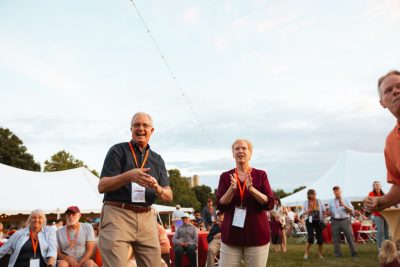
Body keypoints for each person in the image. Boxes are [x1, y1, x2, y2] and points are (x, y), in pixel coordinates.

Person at [98, 112, 173, 267]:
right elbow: (102, 186)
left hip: (146, 217)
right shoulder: (117, 151)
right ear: (131, 129)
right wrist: (128, 176)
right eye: (137, 125)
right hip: (118, 214)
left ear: (152, 130)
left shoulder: (157, 160)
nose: (141, 128)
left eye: (145, 125)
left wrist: (157, 187)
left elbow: (168, 195)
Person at [216, 139, 274, 267]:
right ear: (233, 153)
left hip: (257, 236)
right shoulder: (226, 176)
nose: (240, 151)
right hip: (231, 237)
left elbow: (270, 203)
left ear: (250, 153)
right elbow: (220, 206)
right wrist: (231, 190)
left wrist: (252, 190)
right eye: (237, 149)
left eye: (244, 148)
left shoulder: (260, 175)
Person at [364, 70, 400, 211]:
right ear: (382, 103)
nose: (396, 91)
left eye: (399, 86)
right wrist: (380, 201)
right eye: (388, 91)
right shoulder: (391, 142)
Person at [328, 186, 357, 258]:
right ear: (333, 192)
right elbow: (329, 211)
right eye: (335, 191)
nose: (336, 193)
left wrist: (344, 205)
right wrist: (329, 212)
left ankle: (354, 254)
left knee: (350, 237)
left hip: (345, 220)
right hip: (334, 220)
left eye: (338, 191)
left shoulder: (346, 199)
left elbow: (351, 211)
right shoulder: (331, 201)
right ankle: (337, 254)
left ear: (341, 192)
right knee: (335, 238)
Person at [302, 189, 325, 260]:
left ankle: (320, 254)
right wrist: (307, 211)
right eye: (314, 194)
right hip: (309, 221)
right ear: (309, 195)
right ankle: (306, 253)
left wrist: (324, 214)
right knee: (311, 237)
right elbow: (302, 212)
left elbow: (323, 210)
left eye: (315, 194)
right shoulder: (306, 202)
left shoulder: (319, 201)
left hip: (318, 221)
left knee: (320, 239)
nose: (315, 195)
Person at [369, 181, 390, 251]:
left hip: (386, 214)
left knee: (386, 232)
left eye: (378, 185)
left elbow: (387, 203)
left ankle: (387, 248)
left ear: (381, 186)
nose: (377, 186)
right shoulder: (371, 194)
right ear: (373, 186)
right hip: (378, 214)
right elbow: (372, 204)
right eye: (376, 185)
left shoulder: (384, 194)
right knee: (380, 231)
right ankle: (380, 248)